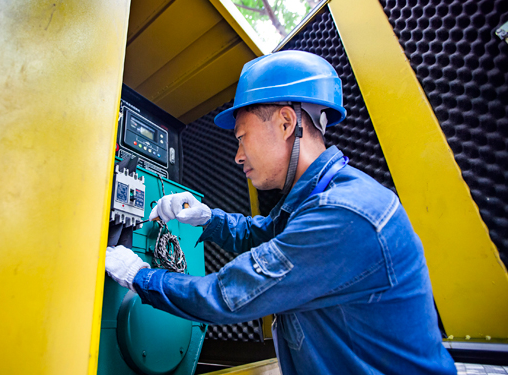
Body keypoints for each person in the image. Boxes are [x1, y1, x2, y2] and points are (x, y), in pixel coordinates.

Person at [104, 51, 456, 374]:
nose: (238, 156)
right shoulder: (319, 199)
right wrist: (208, 218)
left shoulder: (345, 213)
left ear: (287, 123)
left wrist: (140, 275)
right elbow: (264, 233)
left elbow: (227, 296)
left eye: (242, 138)